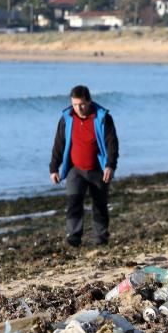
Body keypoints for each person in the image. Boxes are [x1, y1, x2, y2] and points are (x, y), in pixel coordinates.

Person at [49, 85, 120, 248]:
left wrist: (110, 165)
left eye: (81, 104)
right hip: (75, 168)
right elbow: (59, 143)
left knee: (100, 204)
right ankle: (74, 236)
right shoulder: (67, 118)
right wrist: (54, 168)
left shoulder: (102, 118)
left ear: (89, 101)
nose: (78, 108)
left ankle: (101, 237)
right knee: (73, 201)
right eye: (74, 104)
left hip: (98, 169)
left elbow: (112, 144)